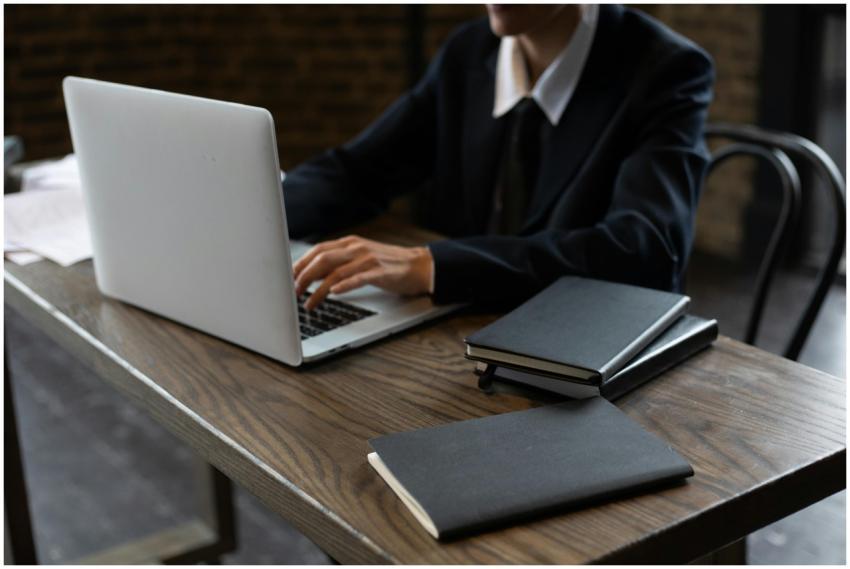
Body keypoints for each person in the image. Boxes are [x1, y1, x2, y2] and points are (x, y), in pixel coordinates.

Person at [283, 4, 714, 310]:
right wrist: (260, 213)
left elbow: (642, 251)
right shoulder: (468, 51)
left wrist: (430, 265)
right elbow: (358, 171)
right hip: (465, 331)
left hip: (591, 346)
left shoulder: (667, 69)